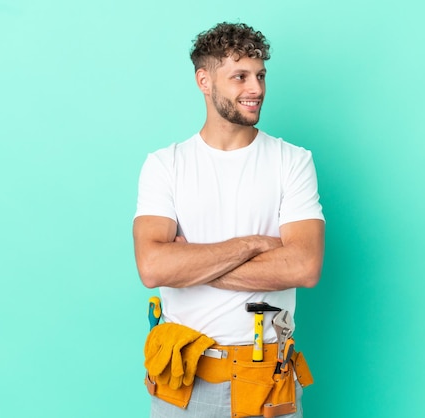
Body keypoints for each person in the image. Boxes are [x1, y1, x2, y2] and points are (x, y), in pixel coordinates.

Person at [133, 22, 325, 418]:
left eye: (260, 76)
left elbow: (304, 266)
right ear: (204, 81)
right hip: (182, 381)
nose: (255, 89)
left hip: (267, 382)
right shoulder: (165, 165)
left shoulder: (293, 162)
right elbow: (152, 267)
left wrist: (187, 265)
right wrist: (254, 244)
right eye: (240, 77)